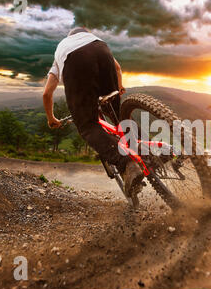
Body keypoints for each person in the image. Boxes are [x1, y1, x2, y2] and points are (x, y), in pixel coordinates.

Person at [42, 27, 143, 196]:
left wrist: (51, 118)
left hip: (75, 61)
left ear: (69, 36)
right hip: (104, 53)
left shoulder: (63, 48)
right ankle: (149, 153)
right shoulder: (94, 39)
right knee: (117, 114)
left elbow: (47, 93)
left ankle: (126, 163)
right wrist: (118, 88)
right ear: (84, 32)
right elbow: (117, 68)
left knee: (88, 126)